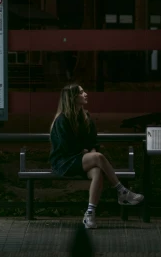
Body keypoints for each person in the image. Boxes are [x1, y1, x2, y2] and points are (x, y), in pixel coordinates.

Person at [49, 82, 144, 229]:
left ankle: (90, 214)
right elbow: (66, 147)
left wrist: (91, 150)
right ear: (72, 98)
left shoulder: (85, 117)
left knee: (98, 171)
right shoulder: (62, 120)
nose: (85, 94)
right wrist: (86, 152)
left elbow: (93, 140)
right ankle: (121, 191)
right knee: (98, 158)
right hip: (64, 161)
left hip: (82, 159)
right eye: (81, 92)